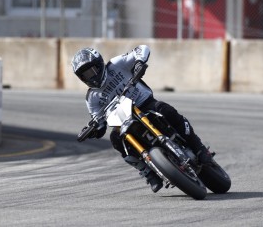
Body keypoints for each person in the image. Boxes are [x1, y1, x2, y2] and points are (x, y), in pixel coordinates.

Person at [71, 45, 213, 193]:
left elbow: (142, 49)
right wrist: (94, 130)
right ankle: (148, 172)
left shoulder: (116, 64)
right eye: (85, 75)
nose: (91, 77)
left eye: (91, 71)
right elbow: (98, 121)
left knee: (166, 110)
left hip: (144, 103)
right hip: (123, 120)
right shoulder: (91, 98)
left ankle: (199, 148)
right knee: (116, 139)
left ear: (99, 64)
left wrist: (139, 62)